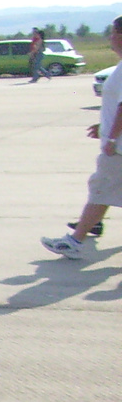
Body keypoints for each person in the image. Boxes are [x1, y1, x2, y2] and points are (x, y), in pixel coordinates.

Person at [42, 17, 122, 257]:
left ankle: (75, 241)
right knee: (103, 190)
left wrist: (111, 138)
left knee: (100, 190)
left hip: (118, 148)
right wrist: (104, 126)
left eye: (112, 33)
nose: (109, 38)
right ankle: (87, 227)